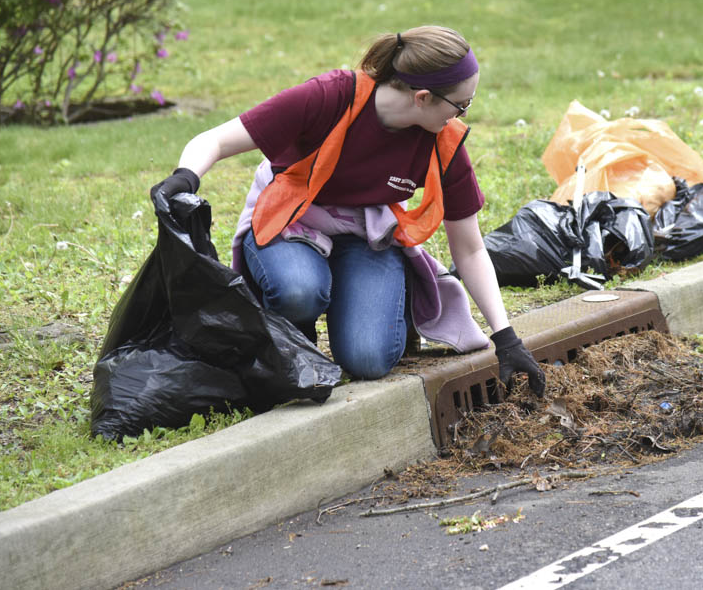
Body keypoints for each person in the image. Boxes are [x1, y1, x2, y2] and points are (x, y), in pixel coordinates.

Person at [150, 25, 546, 397]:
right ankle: (291, 338)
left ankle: (380, 301)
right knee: (300, 291)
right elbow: (216, 140)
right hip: (294, 223)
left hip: (366, 237)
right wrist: (184, 178)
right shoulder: (330, 97)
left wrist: (505, 336)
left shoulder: (444, 143)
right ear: (422, 97)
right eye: (461, 105)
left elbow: (471, 249)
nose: (461, 116)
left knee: (368, 359)